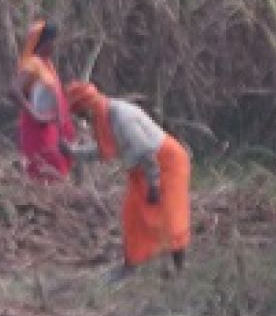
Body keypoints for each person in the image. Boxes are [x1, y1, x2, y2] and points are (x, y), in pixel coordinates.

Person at [65, 81, 191, 276]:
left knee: (171, 215)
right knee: (132, 214)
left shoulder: (121, 117)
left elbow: (145, 151)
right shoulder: (104, 116)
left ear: (87, 106)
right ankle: (130, 265)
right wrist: (72, 153)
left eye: (80, 113)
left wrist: (154, 184)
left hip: (166, 163)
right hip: (143, 169)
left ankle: (179, 270)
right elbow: (104, 149)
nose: (81, 118)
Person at [12, 18, 75, 182]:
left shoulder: (47, 64)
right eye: (53, 41)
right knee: (44, 169)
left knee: (56, 169)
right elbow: (14, 90)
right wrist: (36, 116)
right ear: (44, 42)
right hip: (38, 130)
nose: (55, 45)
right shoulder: (33, 64)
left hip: (50, 127)